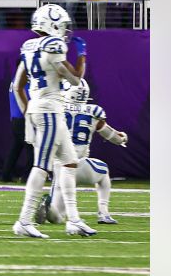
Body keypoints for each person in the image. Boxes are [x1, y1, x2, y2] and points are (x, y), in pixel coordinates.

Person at [11, 4, 96, 238]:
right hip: (49, 110)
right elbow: (76, 79)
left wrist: (29, 110)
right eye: (63, 25)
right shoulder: (54, 45)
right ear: (53, 24)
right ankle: (24, 221)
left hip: (45, 109)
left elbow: (17, 86)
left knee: (69, 163)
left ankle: (74, 221)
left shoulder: (29, 47)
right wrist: (82, 55)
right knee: (41, 166)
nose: (66, 31)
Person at [40, 80, 129, 226]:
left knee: (58, 217)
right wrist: (123, 137)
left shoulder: (56, 108)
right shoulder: (93, 112)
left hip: (58, 168)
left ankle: (49, 208)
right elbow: (114, 138)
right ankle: (103, 213)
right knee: (104, 170)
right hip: (79, 165)